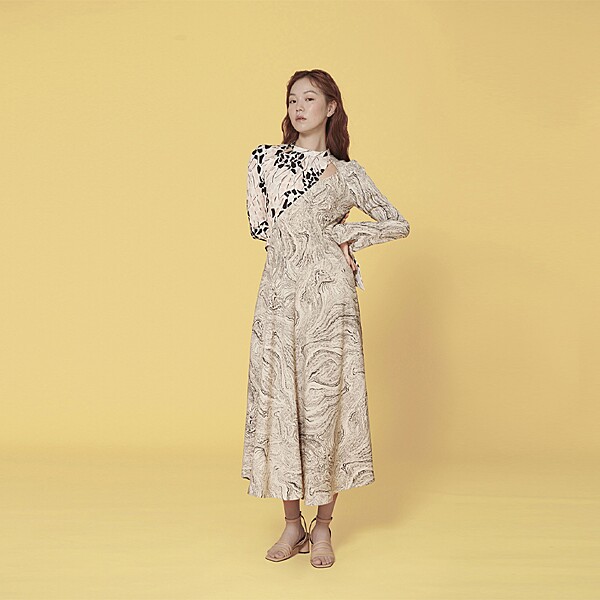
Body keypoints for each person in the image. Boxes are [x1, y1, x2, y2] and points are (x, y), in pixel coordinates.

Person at [241, 69, 410, 568]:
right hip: (279, 297)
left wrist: (347, 236)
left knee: (324, 405)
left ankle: (322, 527)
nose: (299, 107)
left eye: (309, 98)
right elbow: (260, 226)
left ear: (331, 106)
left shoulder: (348, 174)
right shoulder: (264, 160)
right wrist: (313, 230)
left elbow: (397, 223)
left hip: (330, 300)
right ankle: (291, 523)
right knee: (282, 401)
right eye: (292, 99)